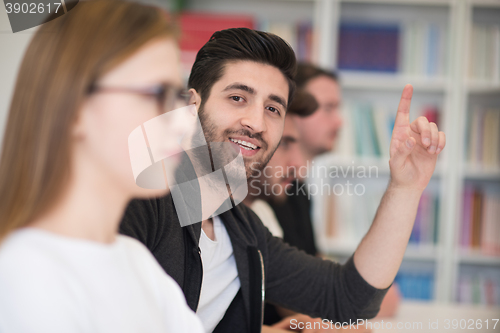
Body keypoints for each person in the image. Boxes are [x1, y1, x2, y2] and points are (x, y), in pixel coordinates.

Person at [120, 27, 446, 333]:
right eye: (237, 98)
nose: (256, 122)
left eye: (273, 108)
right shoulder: (141, 203)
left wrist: (405, 186)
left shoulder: (240, 230)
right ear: (192, 105)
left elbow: (348, 297)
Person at [0, 1, 203, 332]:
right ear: (74, 108)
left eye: (178, 97)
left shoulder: (137, 263)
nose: (184, 125)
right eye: (156, 93)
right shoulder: (24, 276)